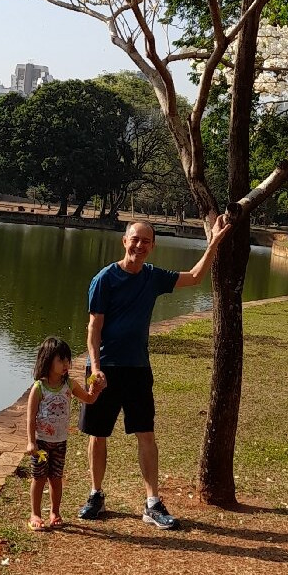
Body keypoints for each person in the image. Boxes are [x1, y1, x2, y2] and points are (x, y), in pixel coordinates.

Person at [79, 215, 231, 530]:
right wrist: (94, 368)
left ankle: (152, 502)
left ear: (152, 246)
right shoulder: (104, 279)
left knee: (145, 434)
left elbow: (194, 277)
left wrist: (213, 244)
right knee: (98, 434)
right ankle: (95, 495)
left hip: (137, 369)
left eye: (146, 241)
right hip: (104, 368)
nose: (139, 245)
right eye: (135, 239)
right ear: (124, 241)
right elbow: (94, 327)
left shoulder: (152, 277)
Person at [25, 337, 102, 531]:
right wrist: (31, 442)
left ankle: (55, 512)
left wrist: (96, 388)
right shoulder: (39, 388)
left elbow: (89, 399)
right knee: (39, 477)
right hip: (42, 441)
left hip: (60, 441)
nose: (66, 364)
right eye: (61, 360)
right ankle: (35, 513)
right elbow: (30, 417)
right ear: (48, 361)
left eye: (67, 360)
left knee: (56, 477)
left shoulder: (70, 385)